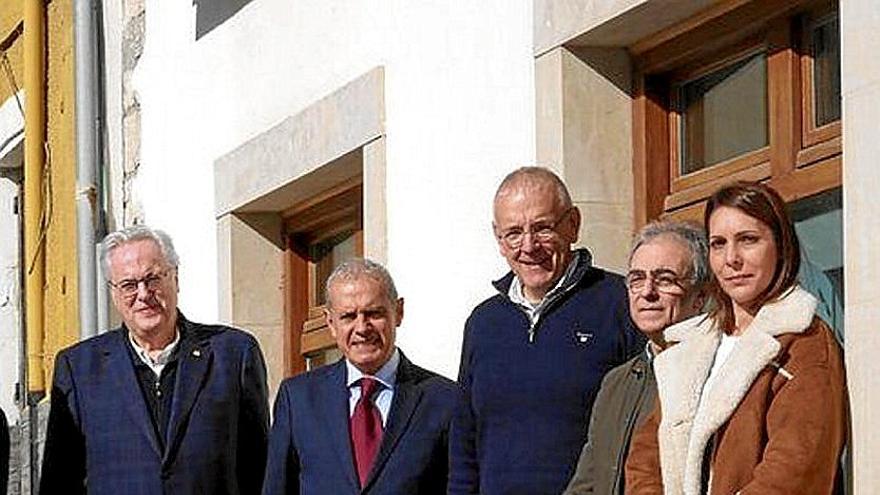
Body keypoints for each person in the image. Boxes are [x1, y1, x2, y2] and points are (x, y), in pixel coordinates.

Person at [625, 181, 847, 495]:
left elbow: (796, 470)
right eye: (718, 243)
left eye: (748, 240)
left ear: (781, 246)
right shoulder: (692, 344)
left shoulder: (804, 340)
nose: (732, 258)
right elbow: (646, 457)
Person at [450, 167, 644, 494]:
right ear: (498, 239)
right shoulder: (484, 323)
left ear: (573, 224)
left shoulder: (619, 304)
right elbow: (465, 442)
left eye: (542, 228)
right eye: (513, 233)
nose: (528, 246)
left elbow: (645, 426)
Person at [40, 225, 270, 494]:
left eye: (153, 279)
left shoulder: (233, 355)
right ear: (113, 293)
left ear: (176, 278)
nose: (143, 294)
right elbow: (59, 480)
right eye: (128, 285)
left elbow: (261, 469)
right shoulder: (79, 369)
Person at [262, 259, 458, 495]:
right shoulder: (299, 399)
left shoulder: (444, 400)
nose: (362, 328)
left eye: (374, 313)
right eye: (348, 316)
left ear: (398, 312)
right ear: (330, 323)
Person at [564, 221, 709, 495]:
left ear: (700, 296)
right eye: (637, 279)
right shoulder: (616, 383)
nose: (647, 292)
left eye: (665, 279)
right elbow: (588, 481)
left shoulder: (715, 372)